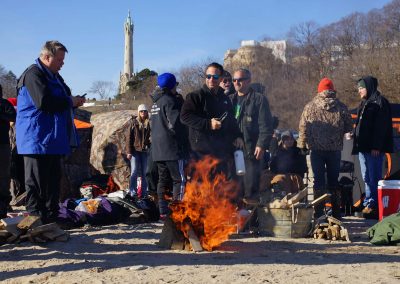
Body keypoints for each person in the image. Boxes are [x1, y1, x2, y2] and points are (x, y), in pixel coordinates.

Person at [16, 40, 85, 223]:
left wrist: (74, 99)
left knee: (53, 182)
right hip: (36, 138)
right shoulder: (33, 74)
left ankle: (52, 219)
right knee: (36, 183)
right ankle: (35, 220)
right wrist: (69, 101)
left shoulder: (55, 76)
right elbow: (43, 102)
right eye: (60, 60)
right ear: (47, 57)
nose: (62, 64)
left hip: (53, 138)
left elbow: (65, 94)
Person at [298, 78, 352, 219]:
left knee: (318, 181)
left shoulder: (309, 107)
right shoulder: (341, 107)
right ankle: (336, 213)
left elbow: (303, 127)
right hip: (335, 150)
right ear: (332, 90)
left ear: (319, 90)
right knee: (334, 181)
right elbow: (348, 127)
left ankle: (319, 212)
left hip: (316, 150)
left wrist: (302, 145)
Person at [180, 62, 243, 178]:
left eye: (215, 77)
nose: (211, 79)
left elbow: (231, 121)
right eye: (208, 76)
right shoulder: (195, 96)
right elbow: (184, 116)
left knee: (220, 187)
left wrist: (237, 135)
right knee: (200, 189)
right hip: (200, 152)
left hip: (221, 151)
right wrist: (208, 123)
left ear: (221, 79)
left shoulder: (225, 99)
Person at [230, 68, 273, 204]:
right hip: (233, 151)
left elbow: (266, 125)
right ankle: (236, 222)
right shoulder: (230, 100)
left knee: (251, 189)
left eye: (240, 80)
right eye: (234, 80)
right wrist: (233, 138)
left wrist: (261, 144)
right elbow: (226, 125)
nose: (236, 82)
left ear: (248, 81)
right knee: (234, 189)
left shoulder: (259, 99)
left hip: (251, 150)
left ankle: (251, 223)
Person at [352, 76, 393, 218]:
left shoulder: (380, 102)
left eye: (361, 88)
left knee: (374, 176)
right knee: (366, 177)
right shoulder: (364, 104)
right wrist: (353, 135)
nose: (359, 91)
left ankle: (374, 205)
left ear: (368, 87)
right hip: (363, 148)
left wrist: (377, 146)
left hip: (373, 149)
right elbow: (360, 125)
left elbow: (381, 128)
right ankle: (369, 202)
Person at [150, 73, 186, 217]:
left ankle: (163, 212)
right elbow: (176, 124)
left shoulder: (155, 103)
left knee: (162, 180)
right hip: (171, 148)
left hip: (157, 150)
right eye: (176, 85)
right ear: (172, 86)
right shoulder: (169, 101)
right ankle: (178, 212)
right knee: (180, 180)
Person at [269, 131, 308, 197]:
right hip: (280, 175)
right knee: (278, 179)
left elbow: (303, 167)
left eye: (291, 139)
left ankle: (294, 196)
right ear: (283, 141)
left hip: (295, 175)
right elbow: (272, 167)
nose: (290, 141)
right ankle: (280, 197)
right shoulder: (277, 152)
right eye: (287, 139)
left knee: (293, 179)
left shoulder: (298, 151)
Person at [126, 104, 151, 198]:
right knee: (134, 171)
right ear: (138, 112)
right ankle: (133, 192)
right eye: (141, 111)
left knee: (145, 172)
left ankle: (144, 193)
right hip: (135, 150)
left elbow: (151, 137)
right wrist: (129, 152)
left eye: (145, 111)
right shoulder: (134, 122)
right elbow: (129, 138)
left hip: (145, 151)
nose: (143, 113)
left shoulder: (149, 123)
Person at [0, 84, 17, 218]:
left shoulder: (4, 104)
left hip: (3, 144)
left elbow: (13, 116)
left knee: (4, 175)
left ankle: (4, 204)